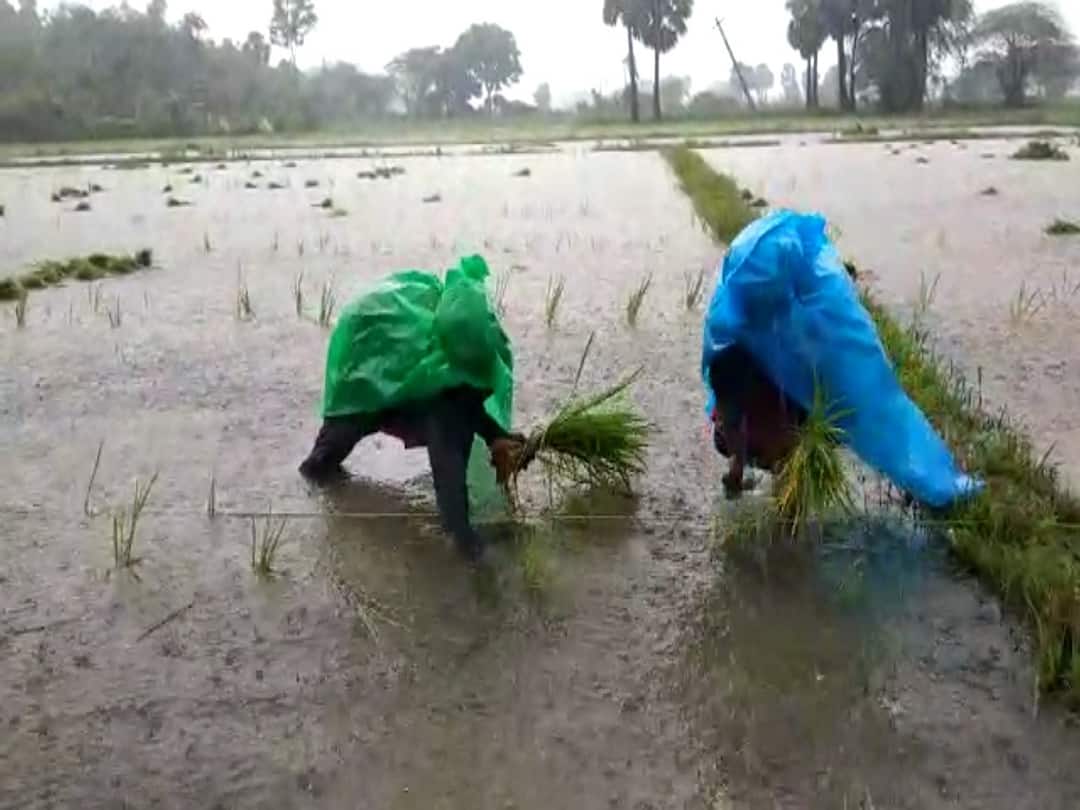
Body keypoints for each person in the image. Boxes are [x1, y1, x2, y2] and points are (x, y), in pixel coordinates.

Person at [299, 256, 531, 562]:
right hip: (363, 360)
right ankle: (312, 504)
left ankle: (337, 491)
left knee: (453, 420)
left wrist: (498, 436)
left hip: (390, 346)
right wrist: (472, 549)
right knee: (320, 466)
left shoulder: (465, 366)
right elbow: (449, 481)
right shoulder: (444, 399)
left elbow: (469, 405)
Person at [708, 342, 807, 497]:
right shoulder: (789, 363)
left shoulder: (733, 354)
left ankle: (739, 464)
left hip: (737, 437)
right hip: (764, 438)